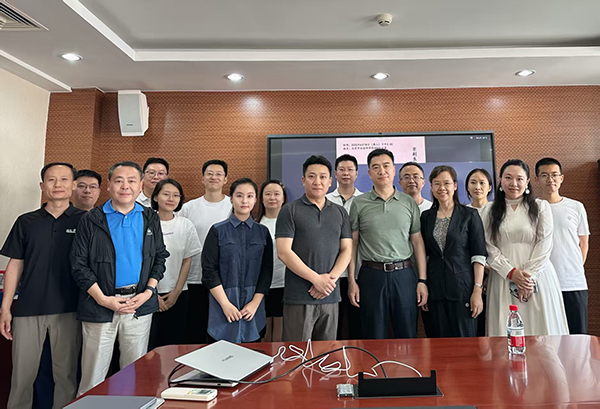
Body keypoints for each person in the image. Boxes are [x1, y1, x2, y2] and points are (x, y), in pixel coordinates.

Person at [71, 161, 169, 395]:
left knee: (133, 376)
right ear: (109, 185)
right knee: (92, 378)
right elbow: (78, 265)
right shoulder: (92, 219)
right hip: (99, 305)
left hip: (138, 305)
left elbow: (159, 258)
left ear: (141, 185)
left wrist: (148, 293)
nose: (125, 186)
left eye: (131, 181)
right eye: (119, 180)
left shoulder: (150, 217)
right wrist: (103, 299)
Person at [0, 162, 84, 409]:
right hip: (28, 308)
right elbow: (15, 265)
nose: (58, 185)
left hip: (70, 308)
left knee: (66, 376)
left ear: (74, 185)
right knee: (22, 377)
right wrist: (5, 308)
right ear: (42, 185)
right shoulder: (27, 221)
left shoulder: (86, 221)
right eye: (51, 180)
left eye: (64, 180)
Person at [481, 159, 568, 336]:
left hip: (538, 277)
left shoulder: (541, 206)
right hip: (503, 277)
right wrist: (511, 273)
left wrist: (528, 279)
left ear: (527, 181)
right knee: (506, 330)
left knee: (542, 330)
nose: (514, 183)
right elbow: (488, 246)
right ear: (500, 180)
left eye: (519, 179)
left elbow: (545, 243)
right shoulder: (488, 210)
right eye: (508, 178)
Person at [348, 149, 428, 339]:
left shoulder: (408, 202)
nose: (381, 171)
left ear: (393, 170)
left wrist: (422, 281)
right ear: (369, 173)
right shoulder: (359, 203)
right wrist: (352, 280)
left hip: (404, 275)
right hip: (371, 276)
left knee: (407, 334)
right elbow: (353, 244)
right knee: (373, 335)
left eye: (386, 166)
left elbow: (417, 242)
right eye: (376, 167)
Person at [276, 155, 352, 342]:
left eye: (323, 177)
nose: (317, 182)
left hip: (330, 296)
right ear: (303, 180)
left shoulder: (340, 212)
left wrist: (328, 281)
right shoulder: (289, 210)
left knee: (327, 354)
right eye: (311, 176)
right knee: (296, 353)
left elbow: (347, 250)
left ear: (330, 181)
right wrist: (316, 280)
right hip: (299, 296)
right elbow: (283, 252)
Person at [202, 178, 273, 343]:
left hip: (252, 307)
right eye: (239, 195)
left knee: (252, 354)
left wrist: (255, 303)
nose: (244, 200)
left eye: (250, 196)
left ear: (255, 200)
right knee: (220, 354)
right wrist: (225, 304)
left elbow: (266, 270)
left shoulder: (263, 232)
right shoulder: (217, 230)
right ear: (231, 199)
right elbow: (209, 271)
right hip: (223, 304)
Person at [420, 165, 487, 337]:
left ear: (455, 186)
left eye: (447, 183)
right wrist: (424, 284)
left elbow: (479, 255)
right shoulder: (426, 217)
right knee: (437, 342)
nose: (442, 188)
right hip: (435, 290)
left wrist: (477, 290)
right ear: (431, 187)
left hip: (463, 289)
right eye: (437, 184)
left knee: (465, 341)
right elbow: (424, 255)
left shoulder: (469, 215)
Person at [179, 159, 232, 344]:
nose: (214, 177)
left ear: (225, 179)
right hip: (194, 278)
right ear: (202, 178)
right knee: (194, 331)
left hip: (224, 280)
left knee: (220, 333)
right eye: (209, 174)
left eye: (218, 174)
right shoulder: (189, 208)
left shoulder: (233, 206)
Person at [535, 157, 590, 334]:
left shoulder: (576, 207)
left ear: (561, 178)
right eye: (544, 175)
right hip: (542, 283)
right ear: (537, 179)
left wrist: (574, 269)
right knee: (547, 336)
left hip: (573, 283)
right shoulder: (532, 208)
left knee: (577, 336)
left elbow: (583, 243)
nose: (550, 179)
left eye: (554, 175)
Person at [149, 179, 201, 349]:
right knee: (150, 347)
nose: (171, 199)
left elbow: (187, 260)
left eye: (176, 195)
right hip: (148, 295)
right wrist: (152, 293)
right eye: (166, 194)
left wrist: (177, 291)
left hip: (178, 293)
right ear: (155, 197)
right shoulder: (145, 223)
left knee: (175, 345)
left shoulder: (185, 224)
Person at [326, 154, 362, 340]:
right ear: (335, 174)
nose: (346, 173)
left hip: (360, 272)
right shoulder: (324, 200)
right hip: (331, 274)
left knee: (358, 323)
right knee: (333, 326)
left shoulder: (365, 200)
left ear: (357, 173)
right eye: (342, 169)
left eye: (350, 169)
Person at [256, 180, 288, 342]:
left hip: (286, 283)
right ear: (261, 198)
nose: (272, 198)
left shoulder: (291, 223)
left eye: (276, 194)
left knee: (282, 332)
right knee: (265, 332)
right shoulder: (255, 225)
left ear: (283, 198)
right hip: (261, 286)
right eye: (268, 194)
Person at [465, 167, 494, 336]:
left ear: (489, 187)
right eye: (473, 182)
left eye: (482, 183)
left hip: (497, 271)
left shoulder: (497, 210)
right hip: (472, 274)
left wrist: (491, 272)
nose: (477, 187)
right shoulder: (462, 212)